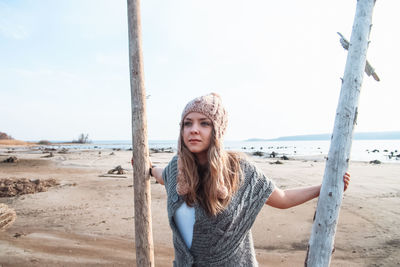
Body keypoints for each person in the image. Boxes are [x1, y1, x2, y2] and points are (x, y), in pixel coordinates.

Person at [134, 93, 350, 266]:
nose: (194, 130)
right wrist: (149, 168)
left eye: (204, 123)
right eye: (187, 123)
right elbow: (162, 176)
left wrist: (324, 188)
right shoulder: (176, 168)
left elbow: (282, 198)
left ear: (217, 130)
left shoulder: (238, 170)